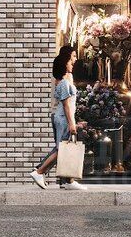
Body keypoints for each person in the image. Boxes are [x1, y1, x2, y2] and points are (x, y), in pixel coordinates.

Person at [29, 45, 87, 191]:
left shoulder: (66, 79)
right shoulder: (63, 82)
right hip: (63, 118)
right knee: (62, 148)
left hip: (62, 117)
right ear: (66, 60)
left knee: (62, 147)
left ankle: (66, 181)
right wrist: (72, 123)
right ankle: (39, 172)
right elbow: (66, 105)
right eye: (72, 57)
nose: (74, 61)